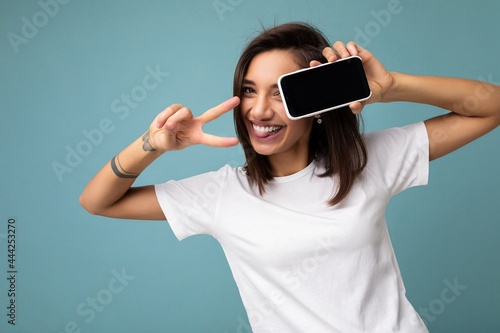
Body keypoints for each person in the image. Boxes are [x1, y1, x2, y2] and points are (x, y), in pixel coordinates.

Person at [80, 22, 499, 332]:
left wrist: (391, 87)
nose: (259, 111)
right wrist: (152, 145)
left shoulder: (367, 160)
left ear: (318, 102)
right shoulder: (222, 194)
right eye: (248, 90)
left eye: (281, 93)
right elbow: (98, 201)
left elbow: (491, 106)